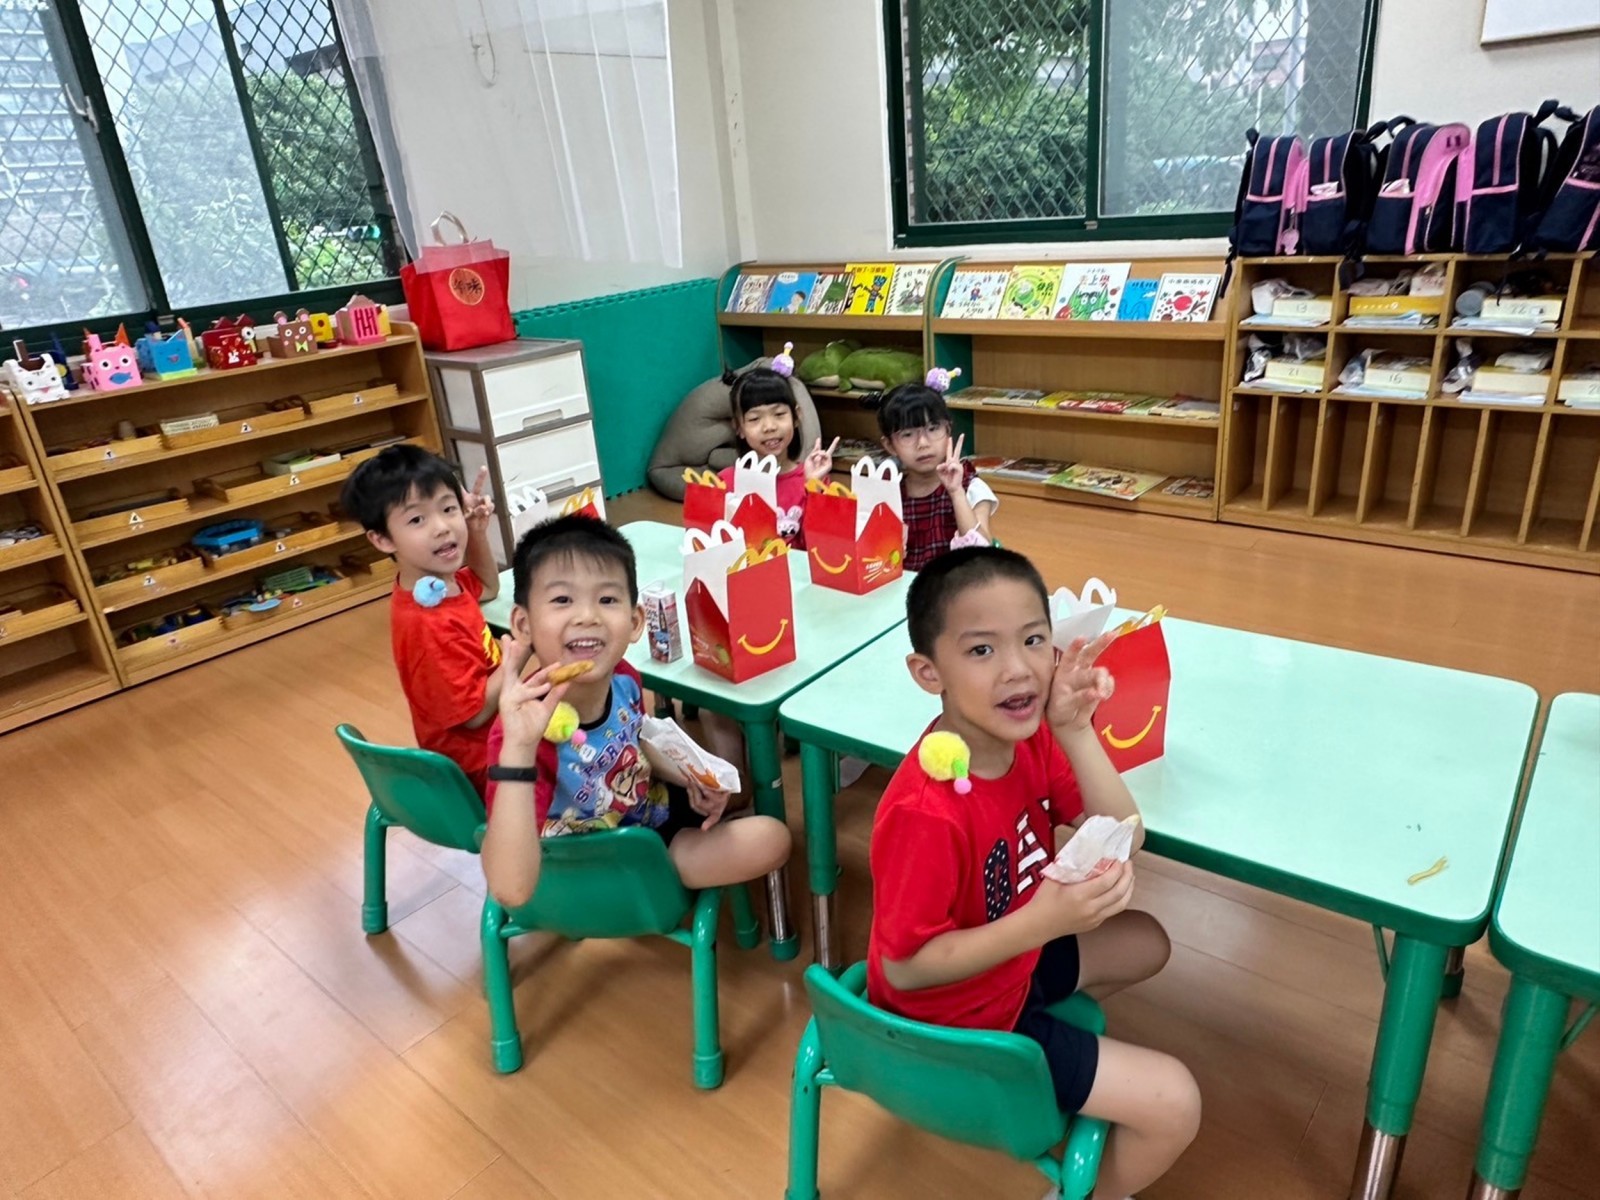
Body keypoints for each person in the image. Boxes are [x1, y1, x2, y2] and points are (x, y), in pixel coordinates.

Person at [868, 546, 1200, 1200]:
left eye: (1033, 639)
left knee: (1148, 940)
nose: (1018, 668)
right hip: (958, 1024)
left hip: (1008, 968)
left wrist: (1075, 731)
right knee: (1175, 1103)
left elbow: (1126, 834)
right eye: (981, 649)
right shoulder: (926, 812)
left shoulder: (1031, 739)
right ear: (928, 673)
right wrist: (1042, 922)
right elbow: (904, 969)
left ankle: (1053, 1054)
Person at [479, 515, 791, 908]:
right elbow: (510, 890)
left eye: (607, 600)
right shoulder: (520, 732)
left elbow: (633, 742)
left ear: (634, 622)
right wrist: (519, 750)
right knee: (760, 836)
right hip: (592, 865)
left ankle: (665, 865)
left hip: (648, 814)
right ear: (523, 625)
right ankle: (644, 885)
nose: (587, 616)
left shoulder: (624, 677)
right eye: (562, 600)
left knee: (771, 833)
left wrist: (690, 778)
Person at [342, 444, 503, 795]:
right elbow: (474, 715)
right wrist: (518, 657)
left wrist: (476, 531)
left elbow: (489, 586)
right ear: (382, 539)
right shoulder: (428, 622)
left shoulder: (437, 584)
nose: (442, 527)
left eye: (448, 509)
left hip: (496, 733)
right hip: (482, 765)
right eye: (417, 519)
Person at [876, 379, 997, 571]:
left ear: (948, 430)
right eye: (907, 434)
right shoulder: (887, 492)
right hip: (906, 586)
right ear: (890, 445)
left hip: (955, 584)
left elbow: (982, 554)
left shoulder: (970, 486)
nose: (923, 443)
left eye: (933, 429)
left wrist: (956, 492)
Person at [719, 361, 837, 547]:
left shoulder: (813, 479)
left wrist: (813, 488)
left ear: (796, 416)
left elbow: (821, 546)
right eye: (754, 419)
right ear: (739, 427)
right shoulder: (726, 482)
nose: (769, 427)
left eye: (779, 414)